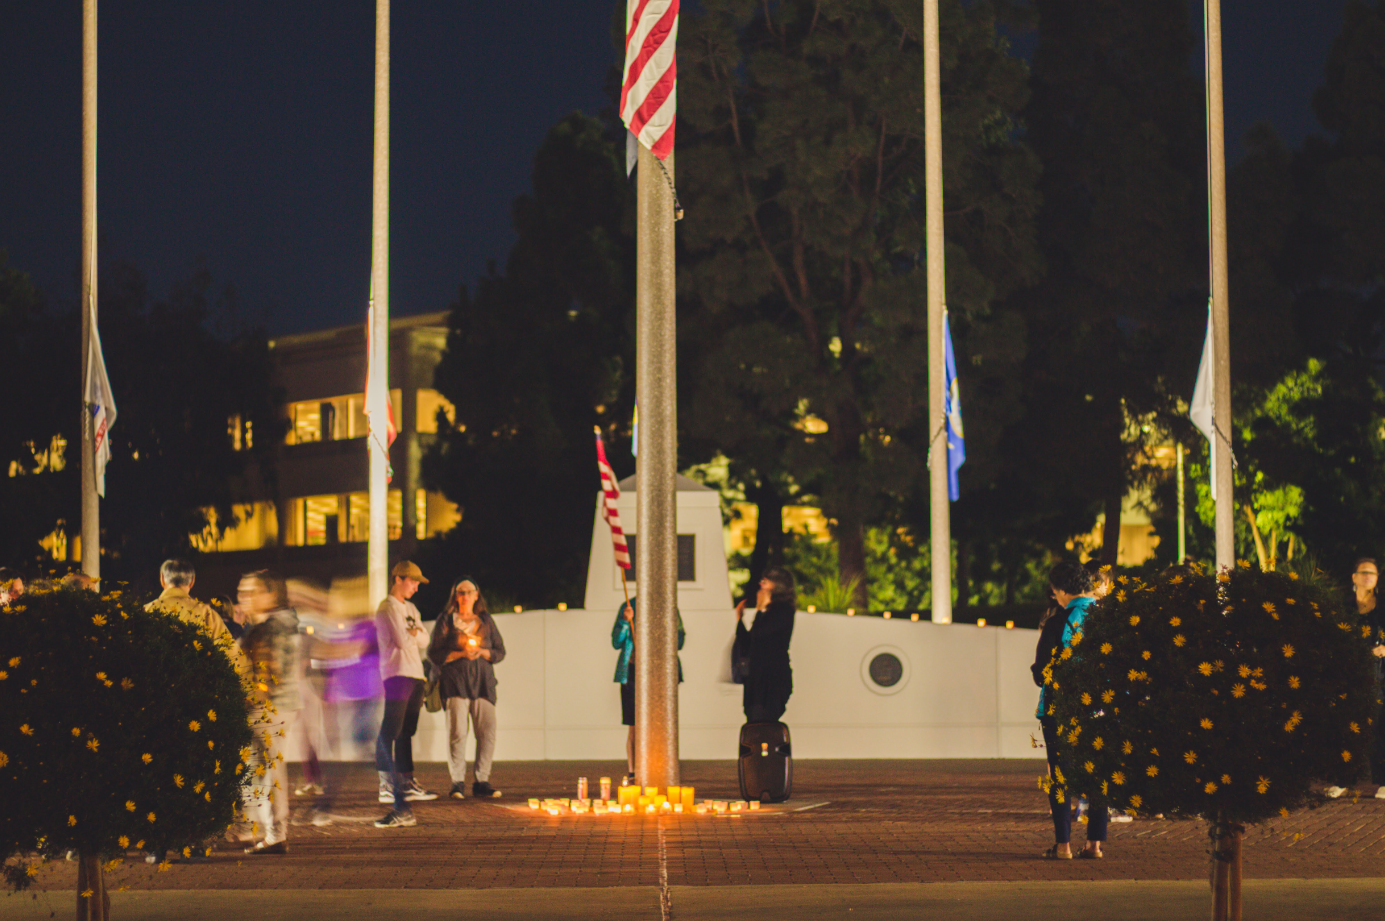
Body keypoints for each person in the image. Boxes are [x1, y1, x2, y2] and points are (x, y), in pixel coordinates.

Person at [1035, 560, 1108, 859]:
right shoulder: (1109, 618)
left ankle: (1063, 845)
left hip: (1061, 709)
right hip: (1102, 708)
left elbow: (1042, 672)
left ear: (1062, 590)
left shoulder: (1057, 623)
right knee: (1100, 772)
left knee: (1061, 775)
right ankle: (1094, 845)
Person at [237, 570, 301, 855]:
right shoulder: (275, 624)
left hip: (269, 708)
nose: (244, 598)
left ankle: (273, 832)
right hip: (276, 705)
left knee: (267, 769)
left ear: (270, 594)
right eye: (241, 592)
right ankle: (265, 830)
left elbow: (267, 670)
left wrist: (254, 698)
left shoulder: (272, 628)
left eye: (251, 592)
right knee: (260, 768)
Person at [428, 577, 506, 799]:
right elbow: (434, 653)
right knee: (457, 733)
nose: (464, 596)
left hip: (483, 684)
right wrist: (460, 654)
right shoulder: (446, 620)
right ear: (455, 596)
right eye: (460, 592)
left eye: (468, 592)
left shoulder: (485, 621)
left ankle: (482, 780)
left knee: (487, 732)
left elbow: (500, 651)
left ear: (476, 595)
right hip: (456, 684)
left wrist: (482, 652)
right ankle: (457, 782)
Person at [374, 560, 437, 829]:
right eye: (412, 581)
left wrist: (414, 633)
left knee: (406, 732)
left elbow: (425, 639)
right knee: (390, 729)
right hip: (396, 673)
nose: (415, 587)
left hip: (414, 674)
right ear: (398, 579)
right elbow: (402, 640)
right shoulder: (387, 608)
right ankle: (387, 784)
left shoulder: (410, 608)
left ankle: (406, 781)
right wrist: (414, 634)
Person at [611, 596, 686, 786]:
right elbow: (616, 642)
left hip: (660, 672)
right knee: (634, 724)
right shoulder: (629, 605)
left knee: (660, 724)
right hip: (633, 671)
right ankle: (633, 772)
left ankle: (660, 768)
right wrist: (625, 622)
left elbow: (679, 641)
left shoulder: (668, 604)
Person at [1328, 558, 1385, 799]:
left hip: (1380, 673)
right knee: (1347, 727)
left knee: (1380, 727)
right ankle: (1344, 780)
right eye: (1363, 572)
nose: (1368, 576)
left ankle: (1382, 782)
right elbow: (1336, 640)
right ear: (1354, 577)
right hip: (1350, 673)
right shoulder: (1344, 606)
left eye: (1372, 573)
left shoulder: (1383, 605)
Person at [146, 560, 249, 681]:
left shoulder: (146, 611)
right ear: (192, 581)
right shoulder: (207, 614)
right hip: (196, 690)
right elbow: (233, 658)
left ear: (162, 579)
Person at [735, 568, 796, 724]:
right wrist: (740, 619)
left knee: (764, 722)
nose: (760, 585)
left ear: (777, 586)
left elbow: (760, 634)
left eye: (765, 582)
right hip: (756, 679)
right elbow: (748, 641)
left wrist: (761, 609)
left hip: (771, 680)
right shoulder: (769, 611)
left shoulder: (783, 610)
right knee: (754, 720)